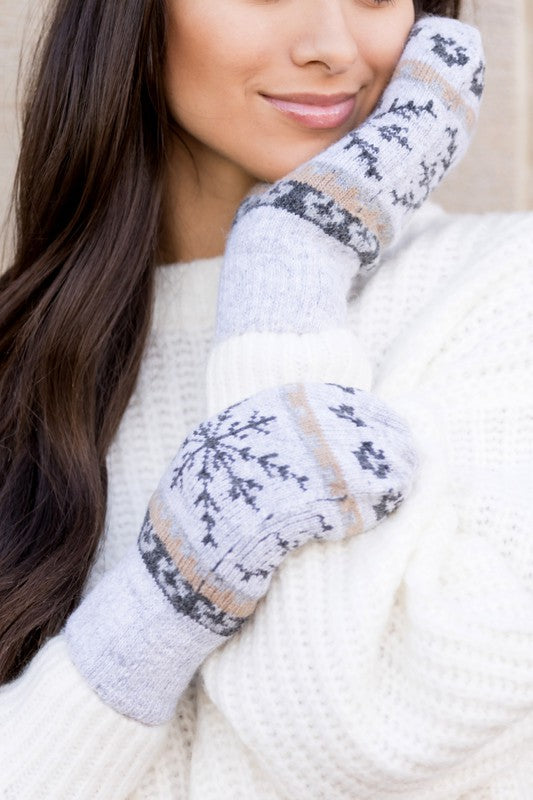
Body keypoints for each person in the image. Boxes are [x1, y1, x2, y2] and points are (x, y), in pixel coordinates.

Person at [0, 1, 532, 798]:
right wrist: (156, 610)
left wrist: (293, 257)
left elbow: (354, 740)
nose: (330, 47)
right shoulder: (19, 373)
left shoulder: (498, 297)